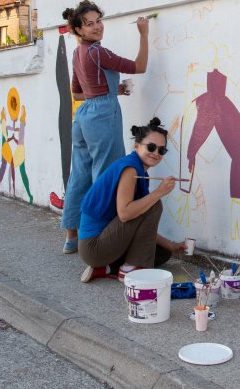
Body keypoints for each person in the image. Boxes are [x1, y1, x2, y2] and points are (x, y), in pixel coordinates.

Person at [60, 0, 150, 254]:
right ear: (79, 29)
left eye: (98, 20)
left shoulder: (77, 53)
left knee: (79, 175)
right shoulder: (99, 52)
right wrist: (144, 34)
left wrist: (113, 90)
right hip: (102, 116)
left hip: (84, 116)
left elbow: (78, 94)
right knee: (106, 175)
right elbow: (139, 66)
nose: (97, 26)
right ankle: (96, 238)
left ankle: (71, 237)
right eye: (90, 24)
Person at [79, 117, 188, 282]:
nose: (156, 153)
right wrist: (159, 192)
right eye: (151, 147)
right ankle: (130, 269)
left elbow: (141, 223)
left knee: (162, 253)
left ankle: (106, 268)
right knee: (153, 204)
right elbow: (125, 214)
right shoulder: (131, 169)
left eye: (161, 150)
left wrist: (171, 245)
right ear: (137, 146)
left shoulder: (139, 170)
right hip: (94, 247)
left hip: (104, 242)